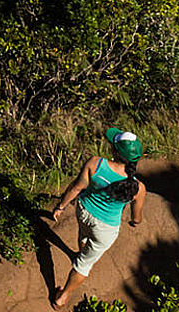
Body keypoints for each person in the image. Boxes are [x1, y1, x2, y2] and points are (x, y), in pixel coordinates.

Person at [46, 126, 147, 309]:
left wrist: (60, 206)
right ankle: (62, 297)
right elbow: (137, 218)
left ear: (115, 152)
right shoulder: (138, 188)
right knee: (84, 265)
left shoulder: (96, 163)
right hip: (106, 229)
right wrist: (133, 221)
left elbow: (77, 188)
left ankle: (81, 250)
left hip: (84, 211)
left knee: (84, 233)